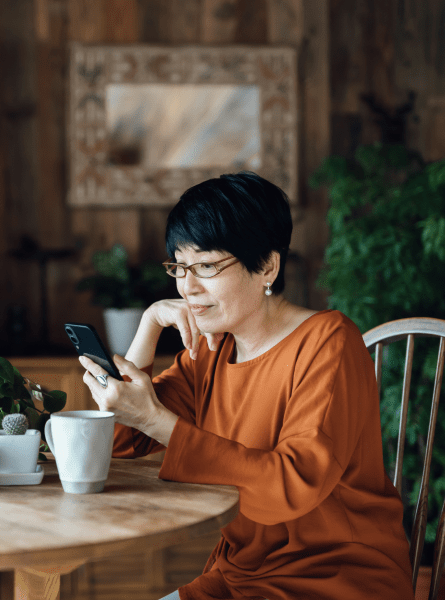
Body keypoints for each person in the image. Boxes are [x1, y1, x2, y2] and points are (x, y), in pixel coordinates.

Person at [78, 172, 415, 600]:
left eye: (205, 266)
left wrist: (157, 421)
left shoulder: (329, 342)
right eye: (180, 267)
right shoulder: (213, 351)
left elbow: (291, 485)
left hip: (336, 579)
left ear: (267, 266)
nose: (188, 286)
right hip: (241, 576)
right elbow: (120, 438)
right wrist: (148, 326)